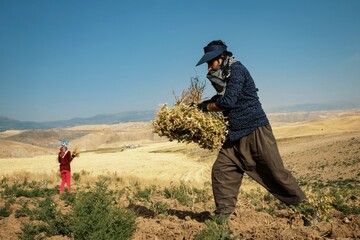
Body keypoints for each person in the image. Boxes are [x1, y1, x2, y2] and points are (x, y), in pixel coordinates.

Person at [196, 40, 316, 225]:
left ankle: (309, 213)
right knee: (222, 171)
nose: (208, 68)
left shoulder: (237, 70)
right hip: (235, 136)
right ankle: (222, 217)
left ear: (220, 58)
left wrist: (206, 107)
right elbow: (222, 97)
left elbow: (228, 101)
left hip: (256, 132)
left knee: (276, 174)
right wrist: (201, 105)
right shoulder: (226, 73)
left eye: (210, 63)